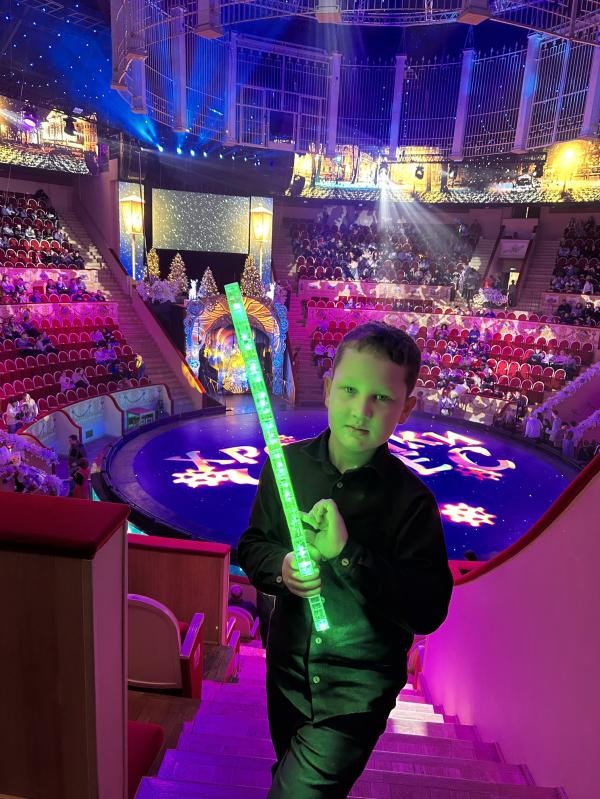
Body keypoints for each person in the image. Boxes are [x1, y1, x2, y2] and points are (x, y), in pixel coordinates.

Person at [237, 321, 453, 798]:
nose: (362, 410)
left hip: (356, 695)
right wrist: (281, 568)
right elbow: (253, 545)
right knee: (290, 773)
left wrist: (347, 555)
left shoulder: (412, 503)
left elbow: (428, 609)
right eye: (350, 390)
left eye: (382, 398)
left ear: (406, 408)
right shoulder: (286, 467)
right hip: (286, 674)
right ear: (329, 388)